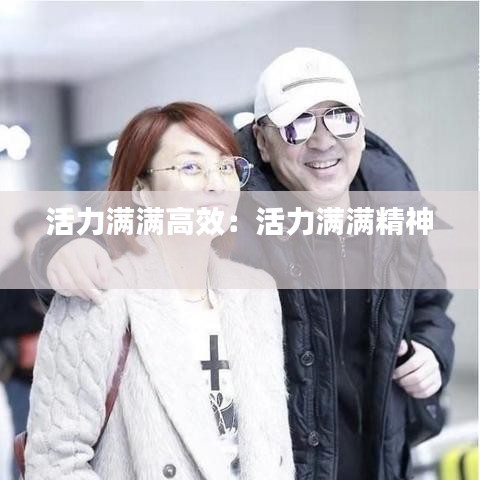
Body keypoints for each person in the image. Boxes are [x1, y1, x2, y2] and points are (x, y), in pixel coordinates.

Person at [31, 48, 454, 480]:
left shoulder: (393, 200)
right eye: (298, 124)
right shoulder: (237, 197)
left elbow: (430, 304)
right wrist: (64, 246)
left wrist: (432, 350)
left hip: (378, 461)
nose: (323, 141)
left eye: (340, 117)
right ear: (263, 141)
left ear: (361, 126)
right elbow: (130, 211)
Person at [24, 102, 295, 479]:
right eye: (191, 167)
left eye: (225, 167)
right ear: (141, 190)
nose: (216, 183)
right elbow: (54, 462)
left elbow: (272, 444)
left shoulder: (256, 292)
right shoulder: (99, 295)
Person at [0, 210, 47, 479]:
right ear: (24, 236)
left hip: (54, 370)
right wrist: (36, 316)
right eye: (35, 232)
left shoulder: (53, 270)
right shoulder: (9, 276)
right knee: (24, 435)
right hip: (20, 373)